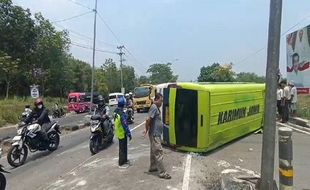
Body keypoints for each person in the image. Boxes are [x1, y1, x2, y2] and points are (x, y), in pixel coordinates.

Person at [144, 93, 171, 179]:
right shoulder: (154, 107)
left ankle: (153, 167)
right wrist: (146, 129)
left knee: (153, 151)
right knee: (158, 152)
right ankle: (162, 173)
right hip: (155, 134)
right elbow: (148, 119)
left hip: (155, 134)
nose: (162, 102)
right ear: (156, 100)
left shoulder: (156, 108)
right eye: (161, 100)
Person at [114, 97, 132, 168]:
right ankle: (121, 162)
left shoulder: (115, 111)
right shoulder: (121, 114)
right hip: (122, 132)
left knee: (122, 147)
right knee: (123, 148)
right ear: (123, 104)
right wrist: (129, 134)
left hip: (118, 131)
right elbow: (125, 125)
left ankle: (124, 160)